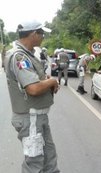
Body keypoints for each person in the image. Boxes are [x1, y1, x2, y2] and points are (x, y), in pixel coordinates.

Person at [4, 21, 60, 172]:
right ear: (34, 34)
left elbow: (33, 80)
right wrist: (51, 81)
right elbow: (33, 89)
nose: (43, 36)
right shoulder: (19, 57)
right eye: (41, 33)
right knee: (34, 164)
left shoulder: (29, 55)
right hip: (31, 120)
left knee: (49, 160)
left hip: (37, 118)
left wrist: (45, 79)